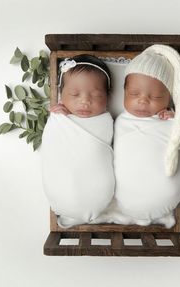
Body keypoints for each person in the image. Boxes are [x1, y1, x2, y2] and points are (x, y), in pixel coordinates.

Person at [113, 44, 180, 228]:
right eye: (134, 94)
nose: (142, 100)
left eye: (155, 97)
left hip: (165, 192)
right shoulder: (120, 122)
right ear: (123, 92)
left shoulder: (170, 121)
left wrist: (175, 120)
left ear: (168, 98)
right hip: (128, 194)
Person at [41, 55, 115, 228]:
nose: (85, 101)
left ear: (108, 97)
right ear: (61, 95)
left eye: (96, 95)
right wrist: (62, 120)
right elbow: (53, 150)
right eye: (74, 94)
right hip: (62, 188)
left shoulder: (106, 121)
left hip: (98, 191)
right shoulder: (60, 120)